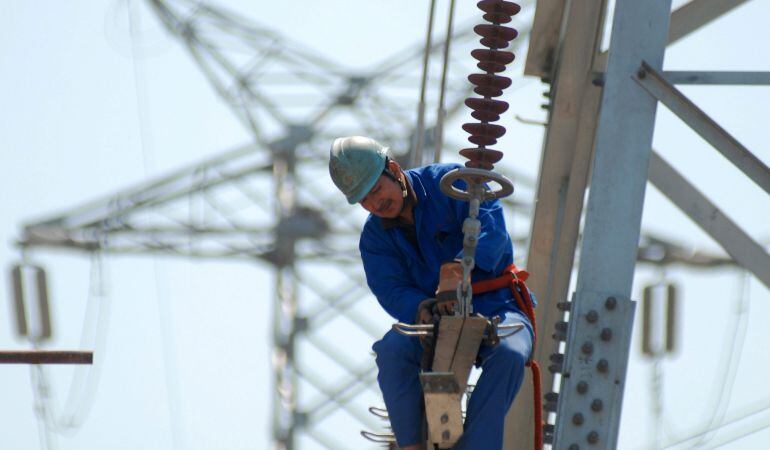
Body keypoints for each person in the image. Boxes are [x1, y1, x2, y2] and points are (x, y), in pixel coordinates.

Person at [329, 136, 533, 450]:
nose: (375, 203)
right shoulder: (375, 238)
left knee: (509, 353)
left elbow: (493, 236)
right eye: (364, 200)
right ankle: (412, 445)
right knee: (392, 351)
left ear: (394, 170)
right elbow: (390, 289)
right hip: (434, 321)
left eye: (376, 190)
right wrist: (422, 307)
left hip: (497, 304)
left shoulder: (452, 184)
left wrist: (455, 271)